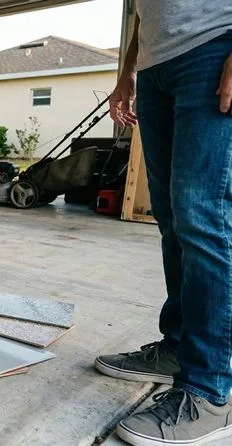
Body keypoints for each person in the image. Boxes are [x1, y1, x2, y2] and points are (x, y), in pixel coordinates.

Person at [93, 2, 232, 445]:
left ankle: (212, 390)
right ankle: (177, 346)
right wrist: (127, 74)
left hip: (214, 47)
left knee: (204, 219)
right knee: (172, 219)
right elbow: (143, 13)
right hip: (155, 68)